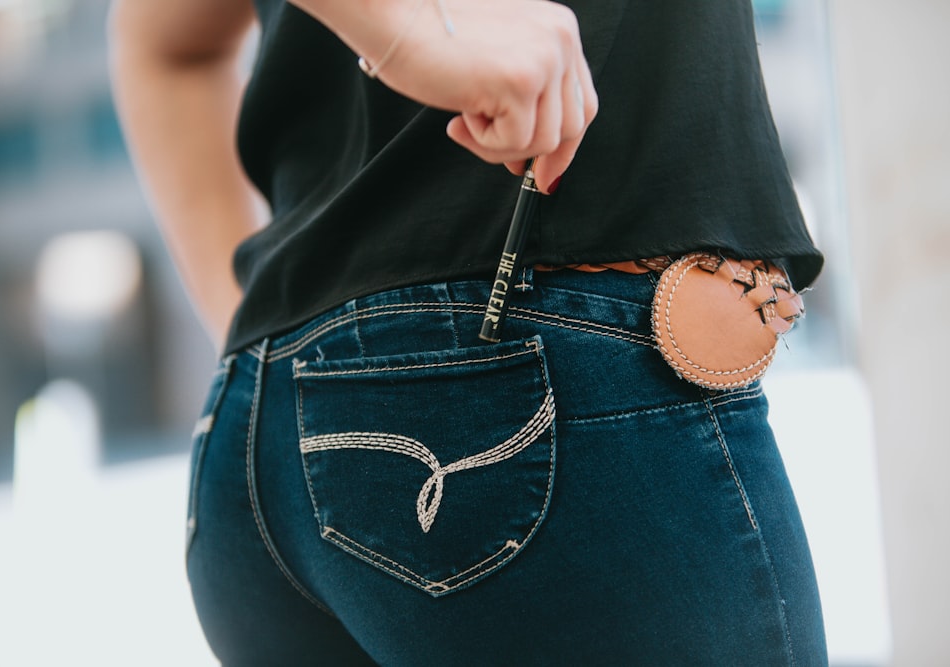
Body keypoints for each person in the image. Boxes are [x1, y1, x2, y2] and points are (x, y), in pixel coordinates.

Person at [109, 0, 828, 664]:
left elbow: (167, 41)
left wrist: (256, 335)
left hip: (263, 442)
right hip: (537, 407)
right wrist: (408, 34)